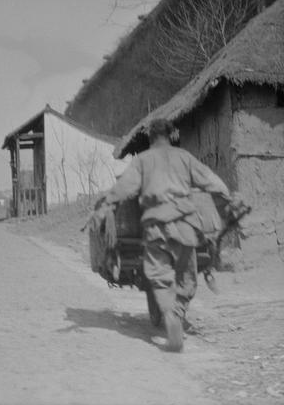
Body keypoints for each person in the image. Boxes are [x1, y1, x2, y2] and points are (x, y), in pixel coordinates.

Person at [99, 119, 232, 352]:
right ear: (170, 135)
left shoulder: (142, 160)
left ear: (150, 138)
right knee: (187, 277)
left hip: (156, 227)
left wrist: (105, 206)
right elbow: (211, 180)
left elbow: (125, 187)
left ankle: (169, 314)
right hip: (185, 226)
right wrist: (227, 196)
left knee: (159, 276)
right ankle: (178, 314)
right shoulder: (184, 157)